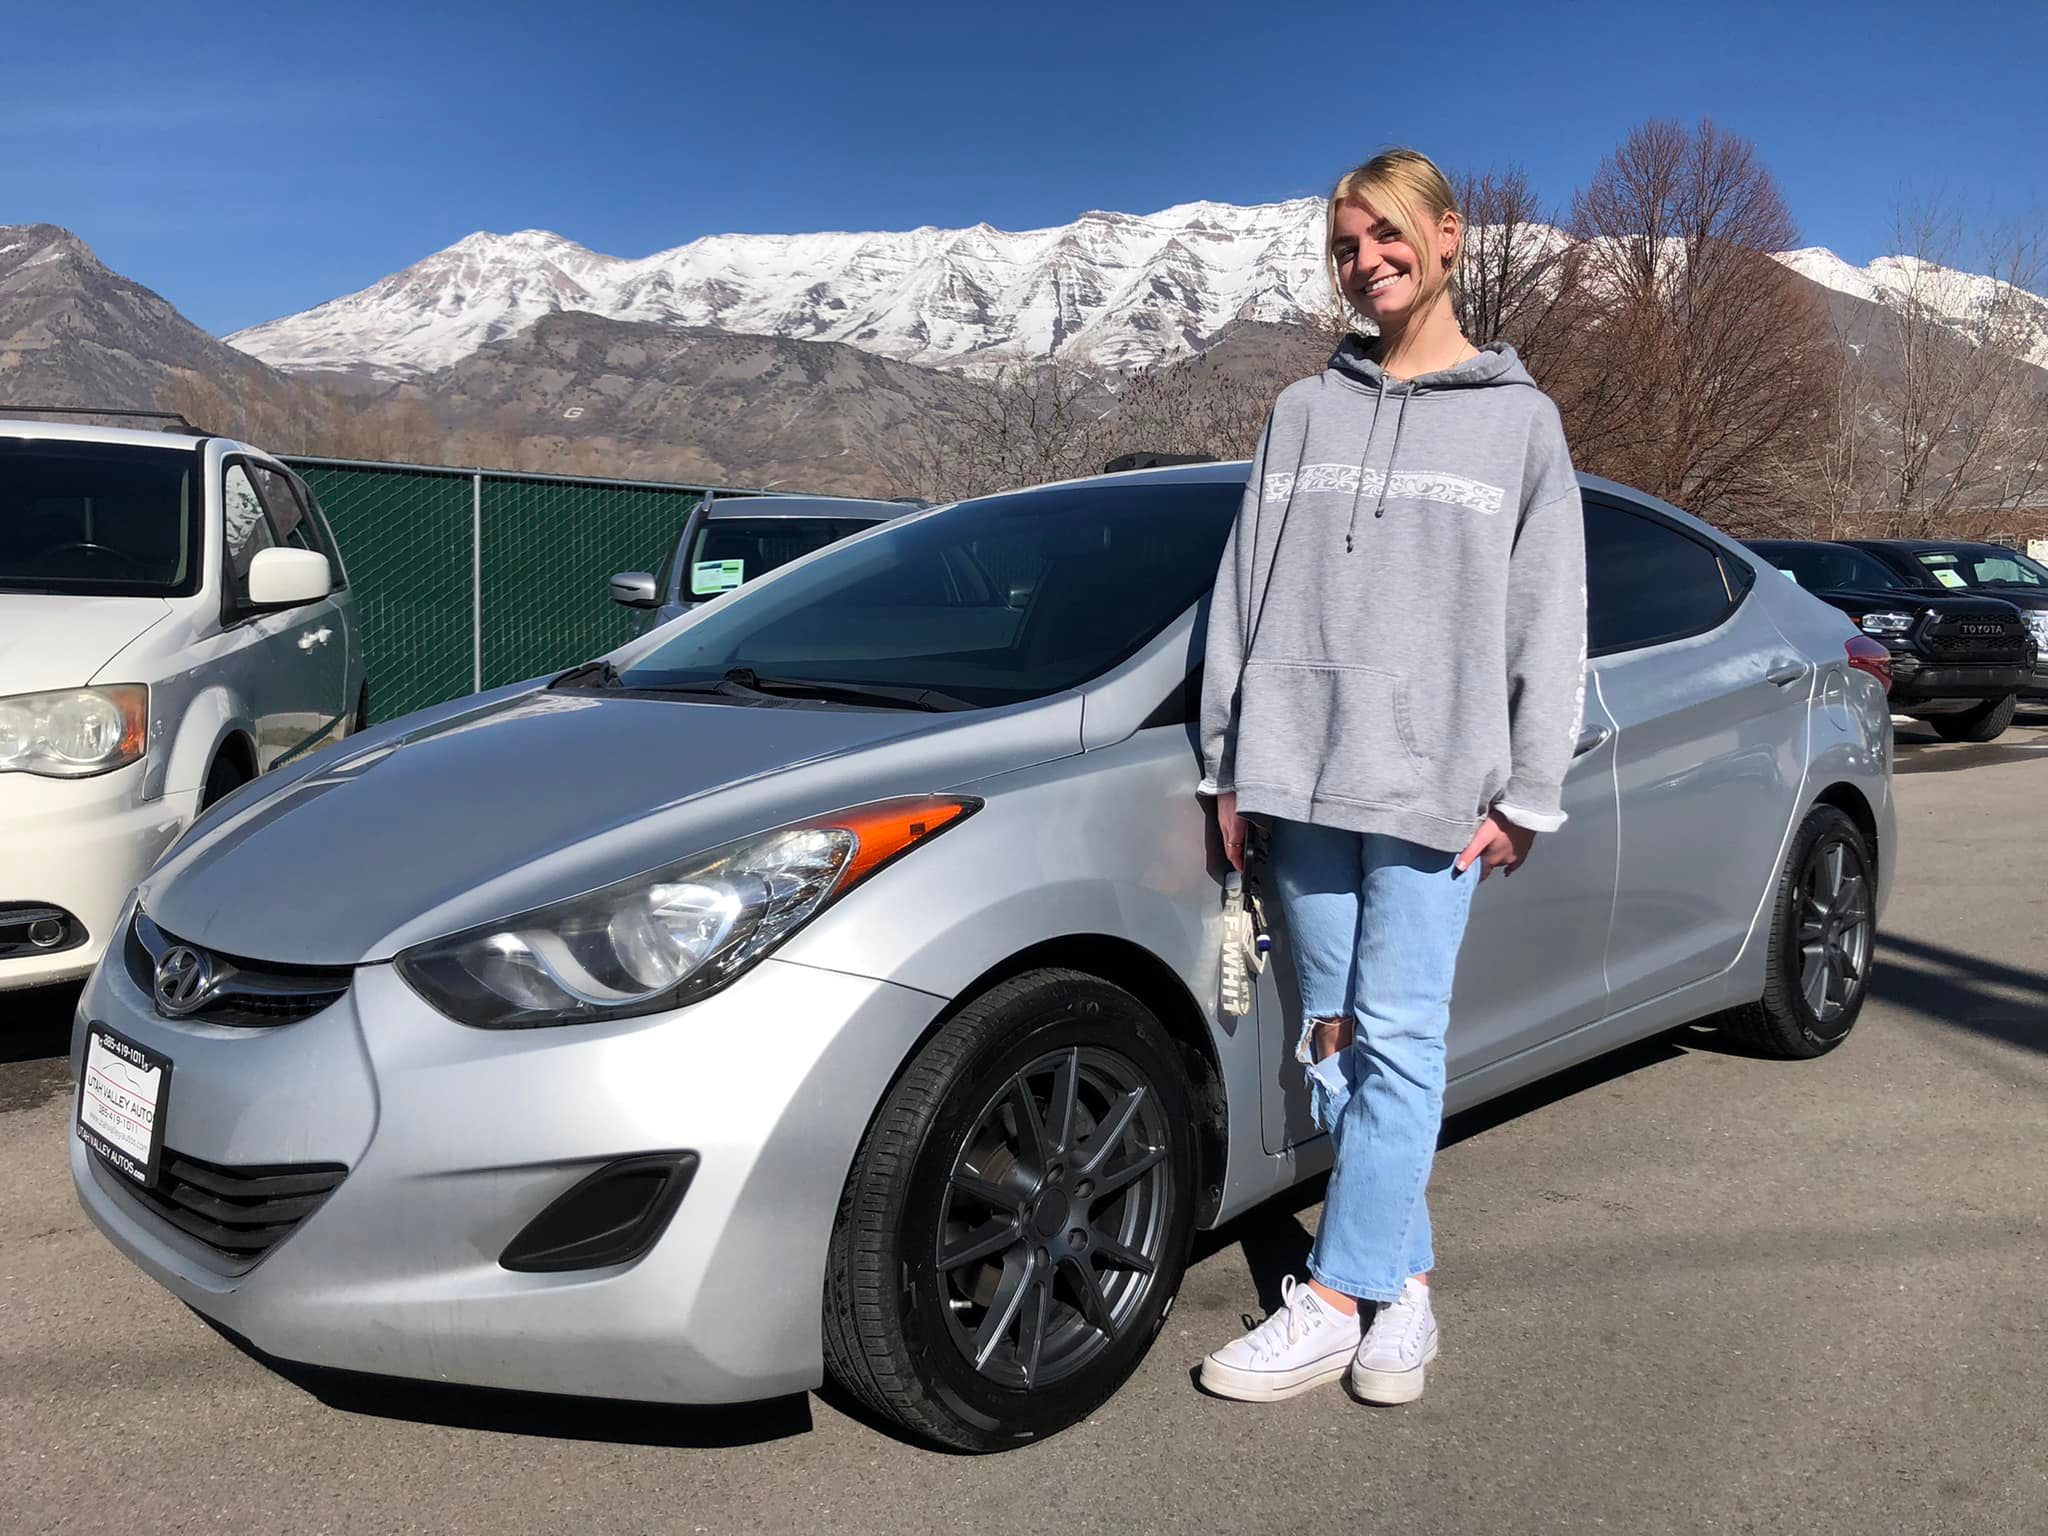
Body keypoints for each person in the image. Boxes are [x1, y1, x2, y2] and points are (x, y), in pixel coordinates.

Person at [1195, 148, 1587, 1406]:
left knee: (1400, 1039)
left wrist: (1528, 792)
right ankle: (1400, 1288)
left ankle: (1327, 1300)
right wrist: (1224, 765)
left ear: (1447, 235)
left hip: (1430, 785)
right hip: (1296, 776)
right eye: (1345, 246)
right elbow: (1240, 593)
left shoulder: (1519, 423)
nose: (1364, 263)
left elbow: (1548, 620)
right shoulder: (1302, 410)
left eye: (1384, 236)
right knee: (1331, 1036)